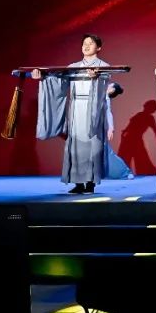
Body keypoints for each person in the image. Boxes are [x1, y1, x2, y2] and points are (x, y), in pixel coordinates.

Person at [32, 34, 112, 195]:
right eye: (84, 43)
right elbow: (59, 82)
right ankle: (78, 182)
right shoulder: (73, 66)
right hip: (76, 107)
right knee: (75, 145)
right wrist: (44, 77)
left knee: (92, 144)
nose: (86, 46)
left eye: (90, 43)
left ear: (98, 47)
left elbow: (103, 88)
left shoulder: (104, 66)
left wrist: (96, 78)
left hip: (94, 109)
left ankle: (90, 182)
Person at [103, 82, 134, 179]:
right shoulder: (100, 94)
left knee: (106, 151)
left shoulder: (106, 98)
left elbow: (108, 113)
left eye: (109, 85)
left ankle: (124, 172)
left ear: (112, 90)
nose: (107, 85)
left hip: (98, 127)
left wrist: (111, 128)